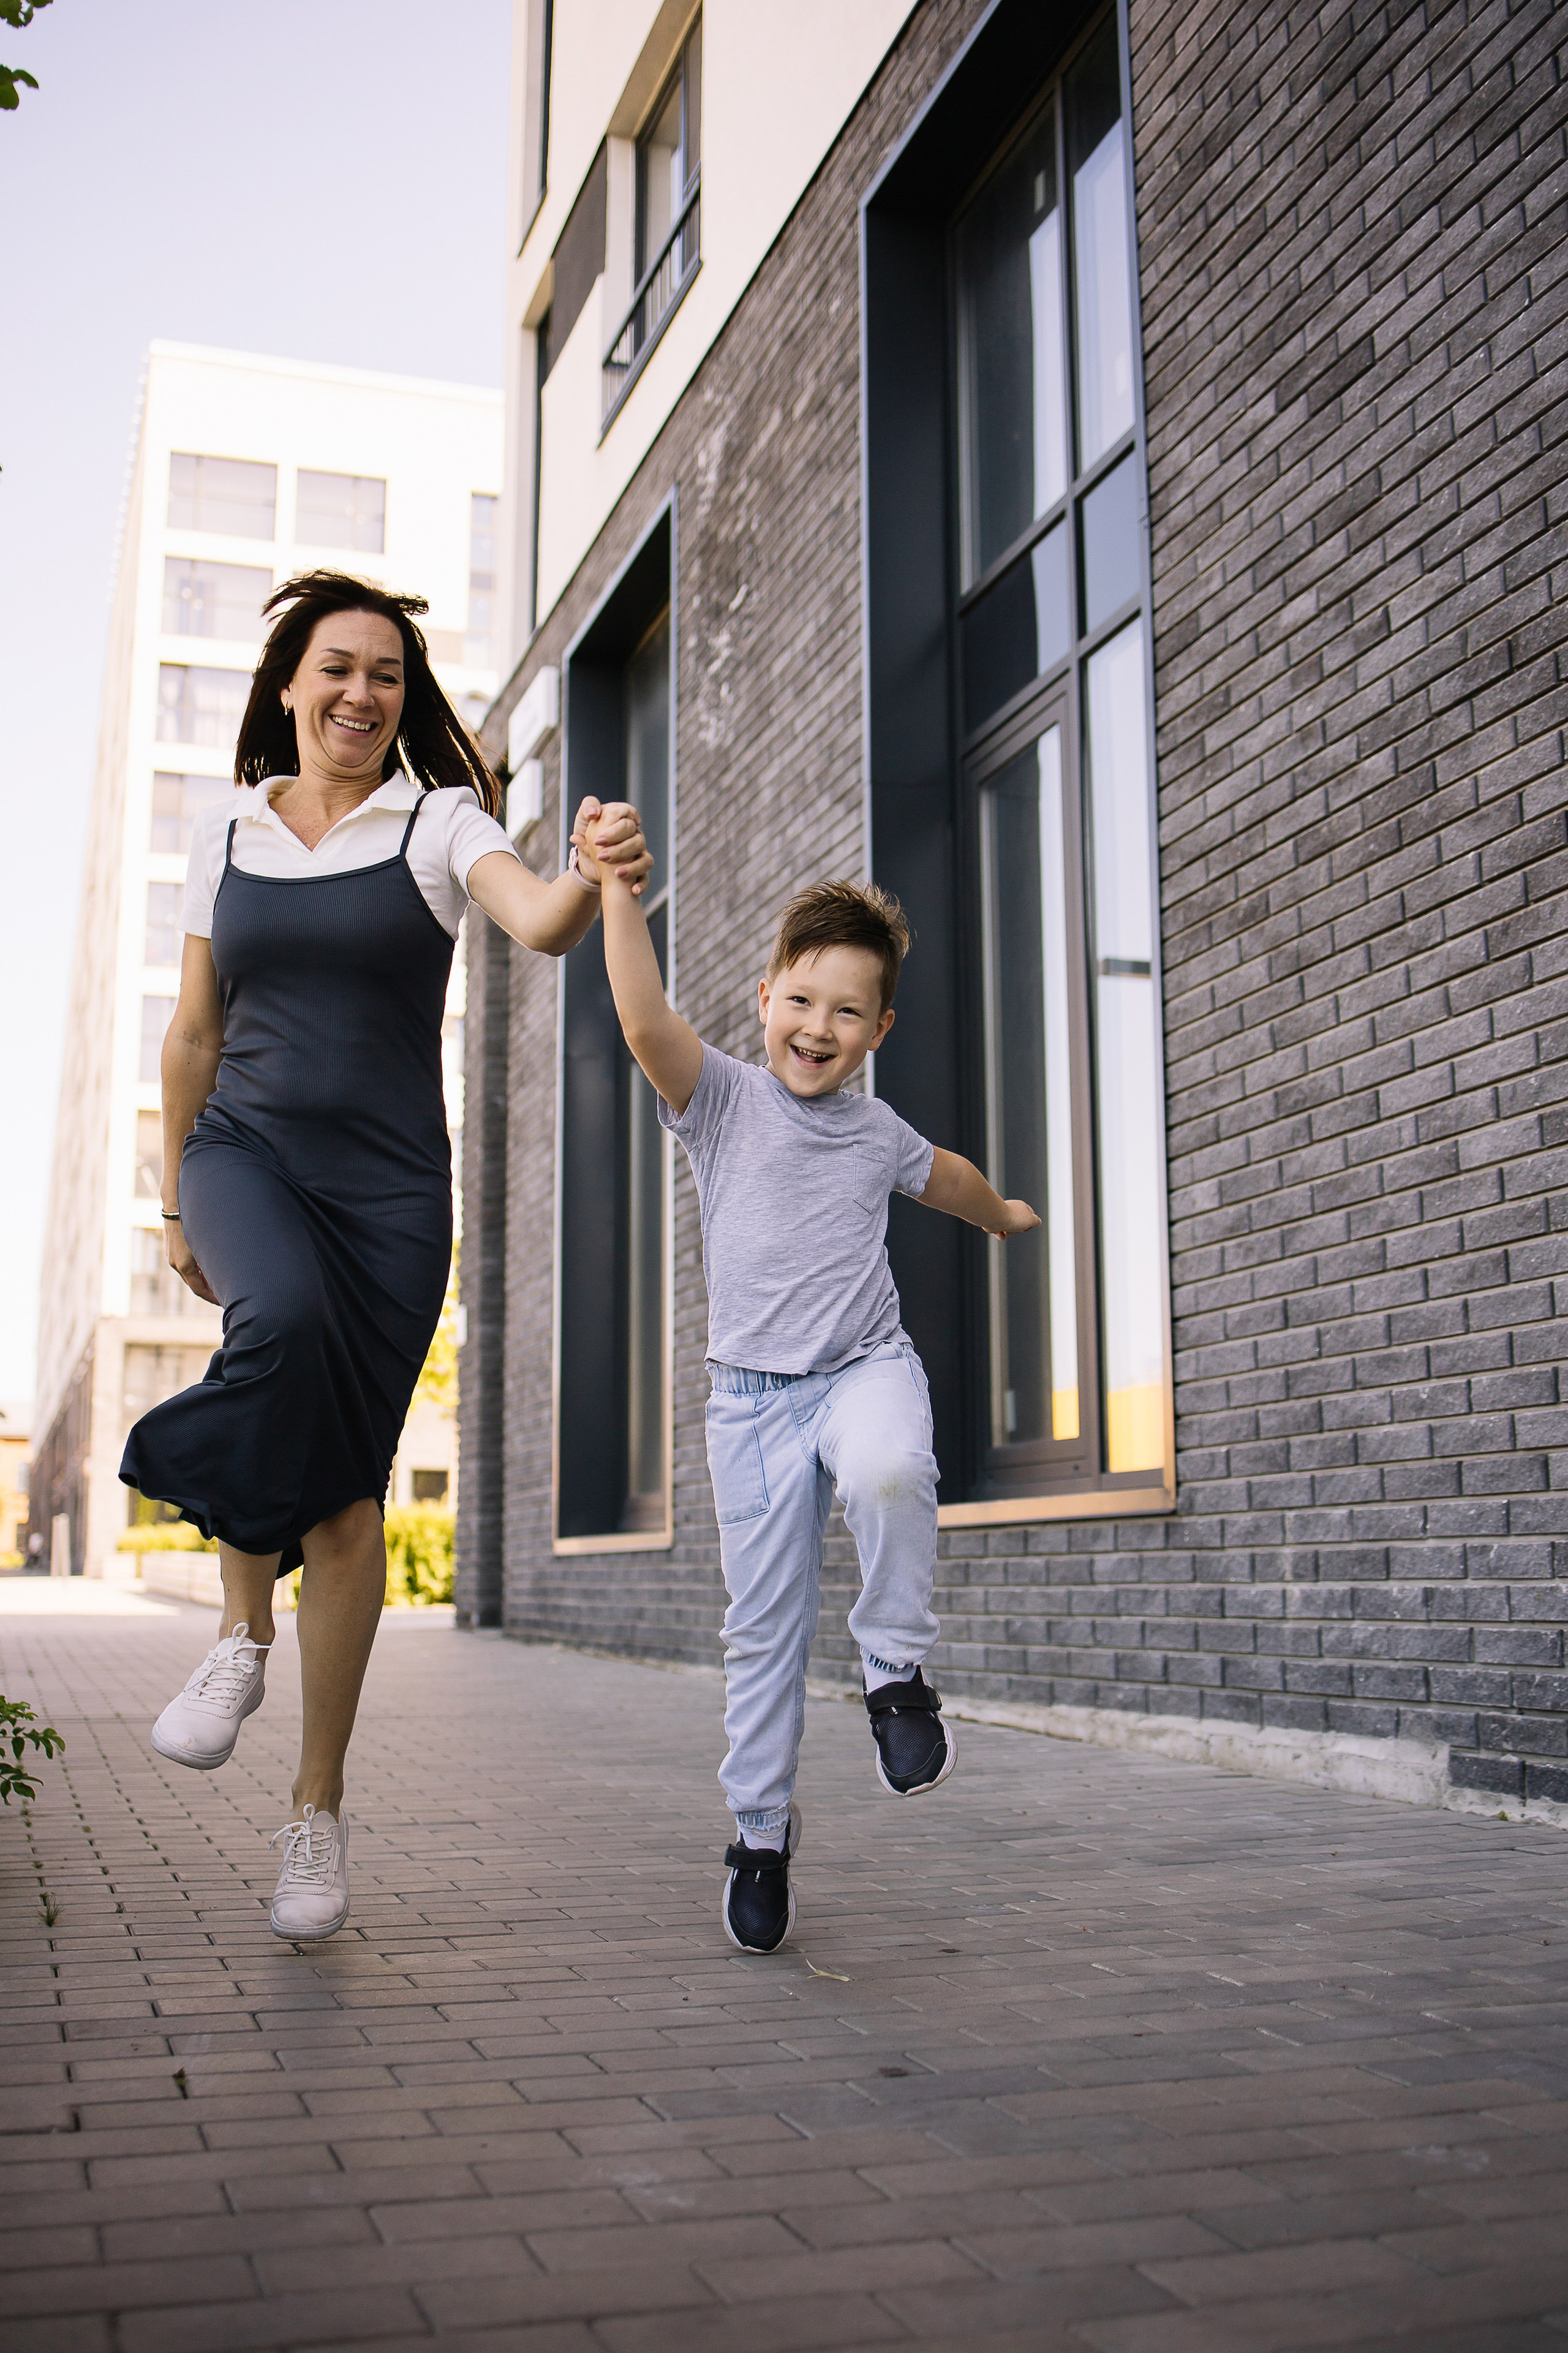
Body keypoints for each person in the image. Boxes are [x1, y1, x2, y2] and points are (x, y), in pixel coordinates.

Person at [124, 570, 649, 1941]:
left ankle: (316, 1810)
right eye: (337, 669)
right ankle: (241, 1637)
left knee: (348, 1506)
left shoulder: (437, 821)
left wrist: (590, 872)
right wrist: (176, 1201)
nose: (362, 694)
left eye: (387, 678)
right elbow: (191, 1033)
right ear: (289, 683)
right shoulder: (224, 827)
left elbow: (533, 920)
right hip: (241, 1154)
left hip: (392, 1196)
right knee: (274, 1327)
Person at [585, 831, 1039, 1955]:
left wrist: (1003, 1217)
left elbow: (950, 1177)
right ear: (765, 995)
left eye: (847, 1013)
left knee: (892, 1465)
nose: (817, 1029)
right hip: (747, 1407)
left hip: (861, 1371)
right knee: (764, 1632)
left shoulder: (876, 1129)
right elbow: (644, 1021)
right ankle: (758, 1834)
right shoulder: (722, 1099)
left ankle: (894, 1668)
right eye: (801, 1000)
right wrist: (615, 893)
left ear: (879, 1031)